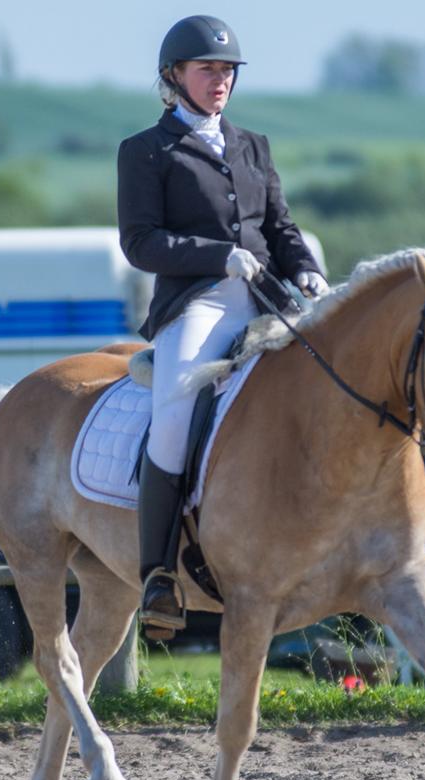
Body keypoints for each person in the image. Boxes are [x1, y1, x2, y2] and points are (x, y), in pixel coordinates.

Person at [117, 14, 328, 634]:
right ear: (173, 76)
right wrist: (217, 256)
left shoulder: (253, 145)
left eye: (227, 70)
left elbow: (281, 228)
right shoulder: (146, 151)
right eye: (207, 69)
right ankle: (157, 574)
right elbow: (141, 243)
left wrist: (308, 271)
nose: (220, 80)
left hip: (268, 299)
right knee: (177, 409)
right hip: (199, 304)